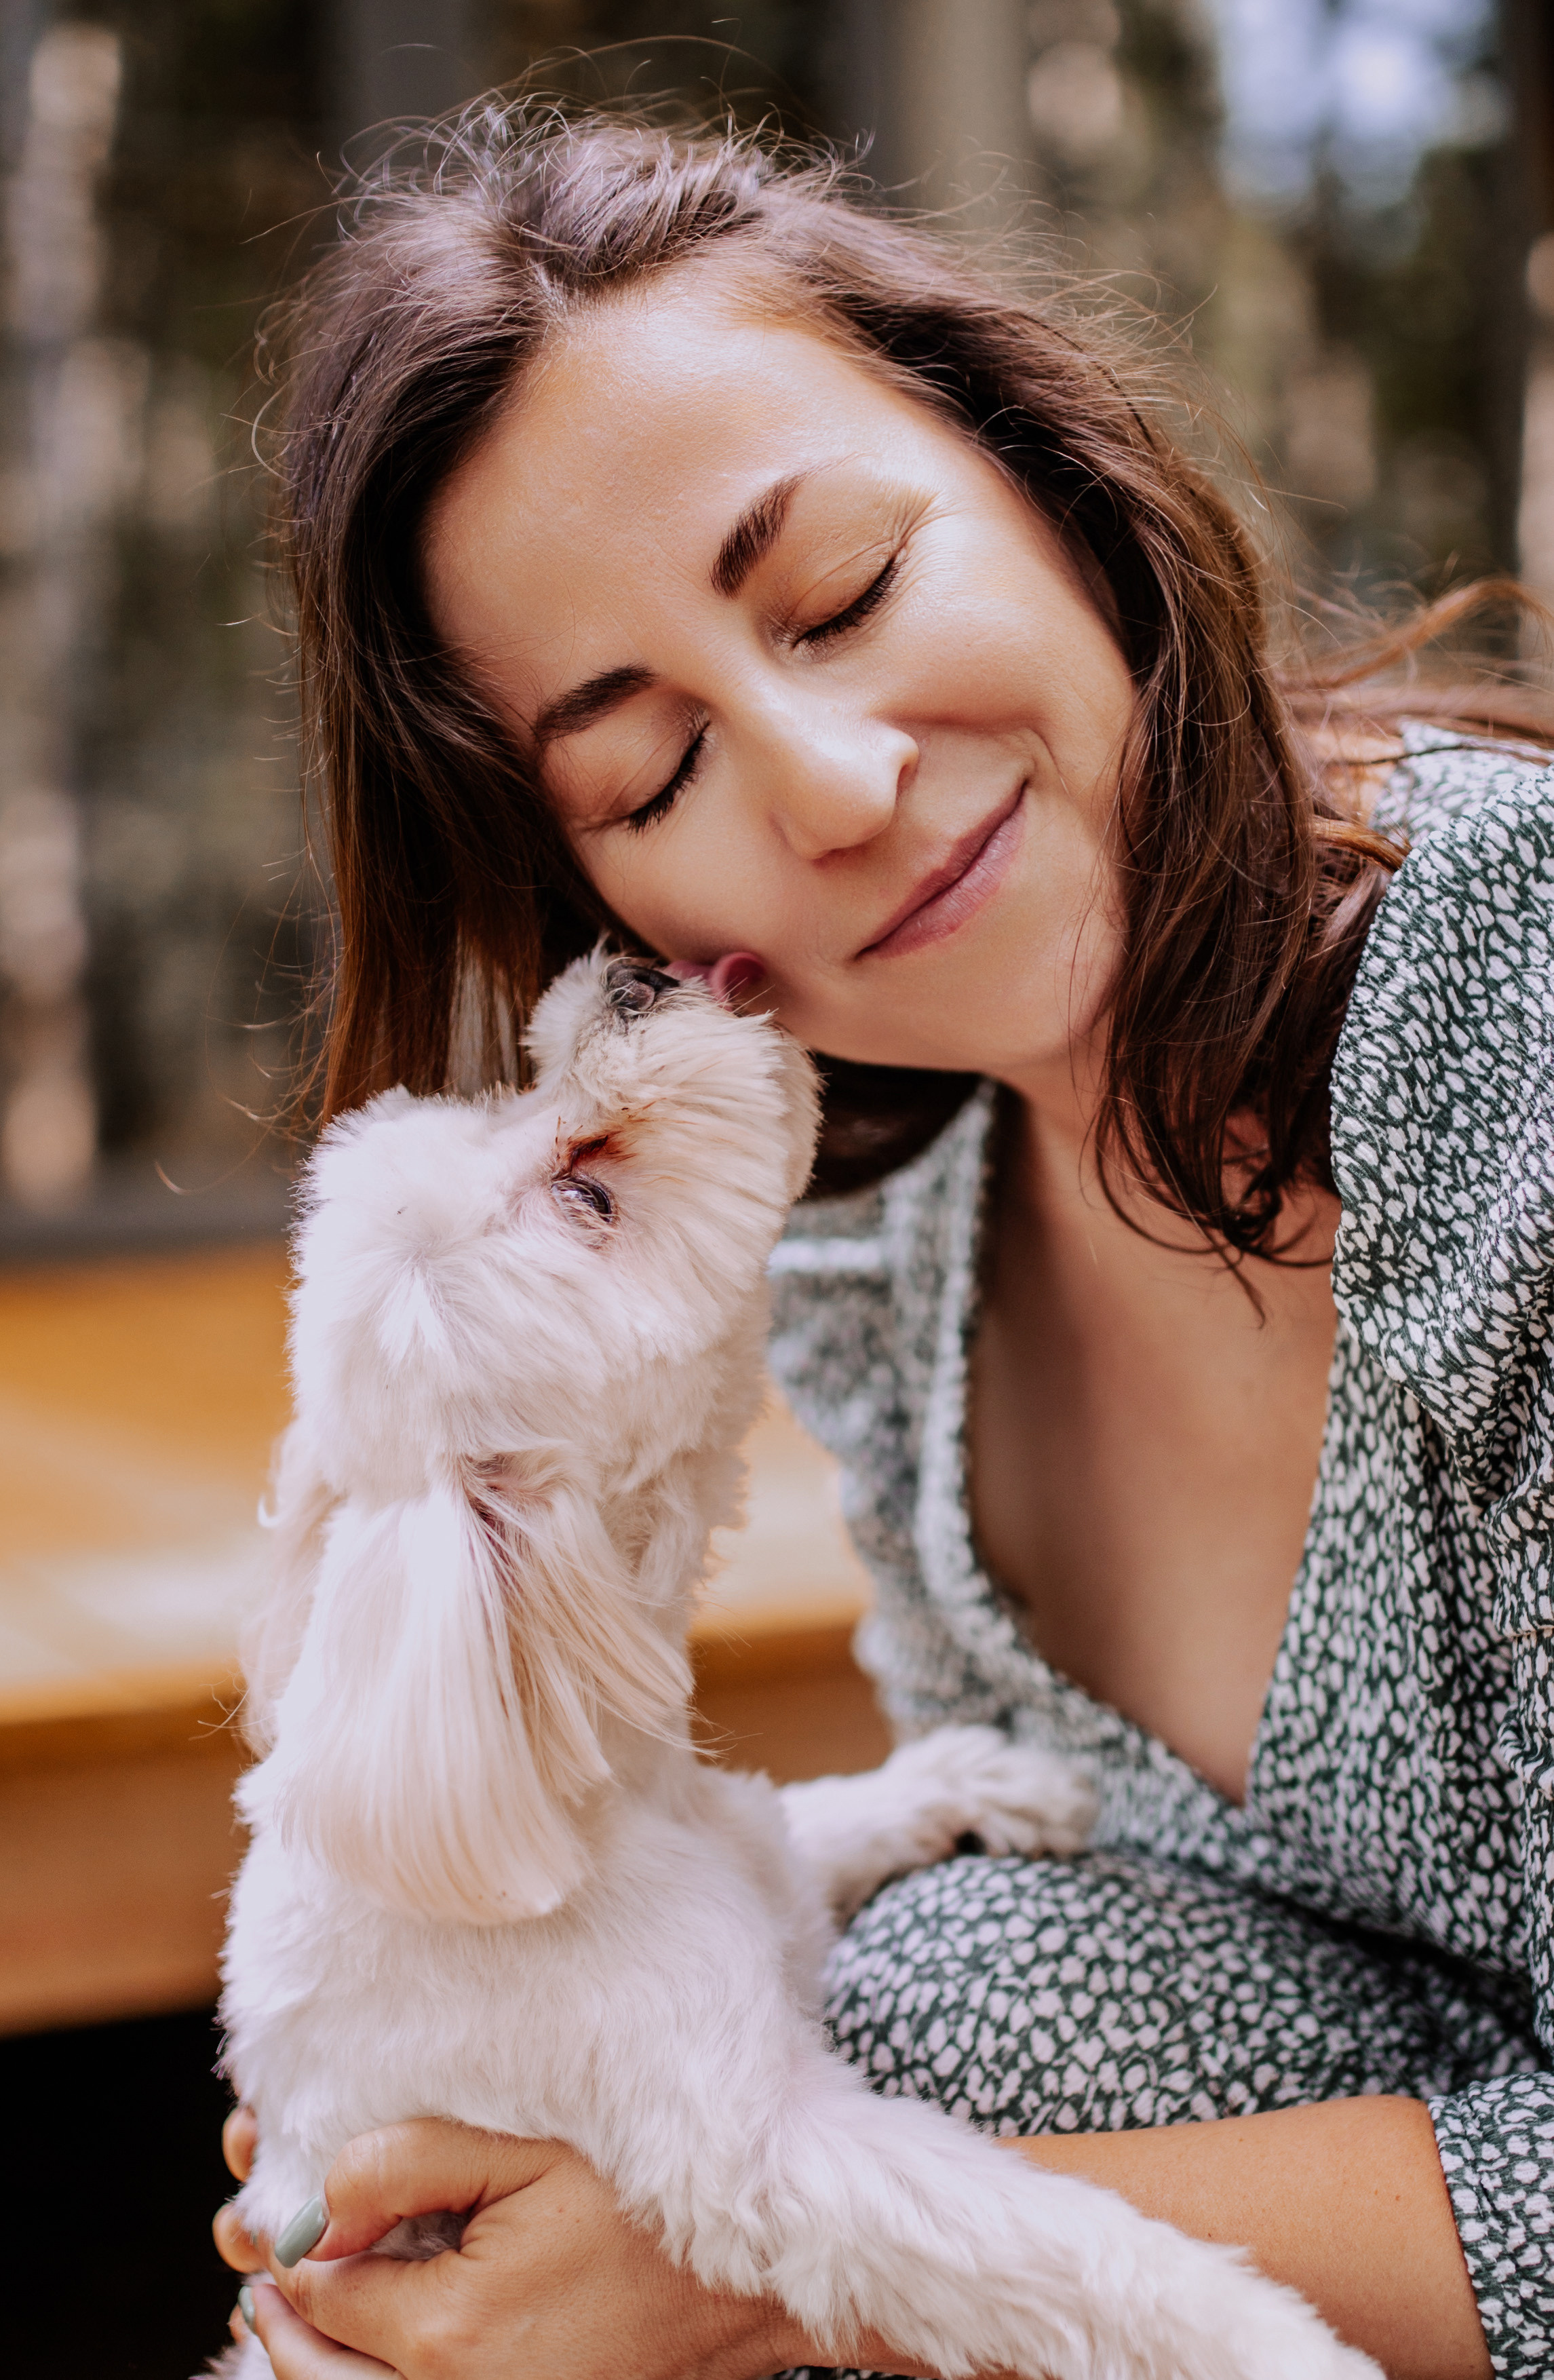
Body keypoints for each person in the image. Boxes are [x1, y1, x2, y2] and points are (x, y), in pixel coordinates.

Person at [214, 102, 1554, 2380]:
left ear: (1044, 479)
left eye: (838, 589)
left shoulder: (1504, 1001)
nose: (833, 786)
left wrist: (761, 2257)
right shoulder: (880, 1248)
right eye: (649, 777)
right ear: (607, 905)